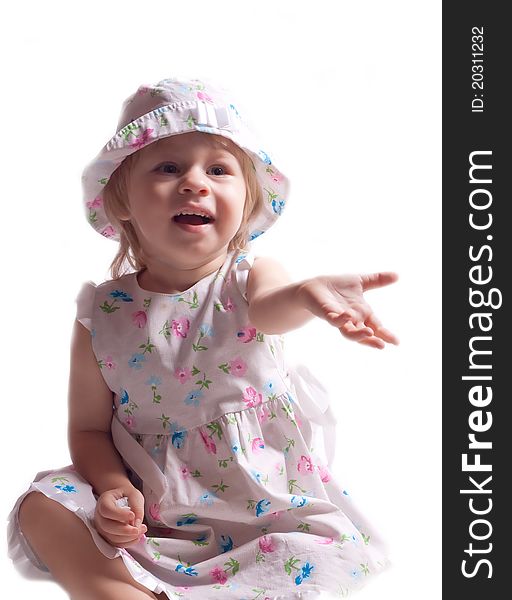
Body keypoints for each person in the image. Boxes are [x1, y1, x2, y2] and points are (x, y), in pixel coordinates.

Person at [8, 76, 398, 599]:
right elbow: (88, 430)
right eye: (168, 168)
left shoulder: (249, 280)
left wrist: (308, 293)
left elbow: (272, 310)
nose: (195, 183)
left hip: (257, 504)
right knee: (44, 505)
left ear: (247, 200)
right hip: (151, 507)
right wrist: (113, 488)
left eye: (218, 170)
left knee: (302, 553)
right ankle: (118, 590)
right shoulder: (103, 313)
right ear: (121, 201)